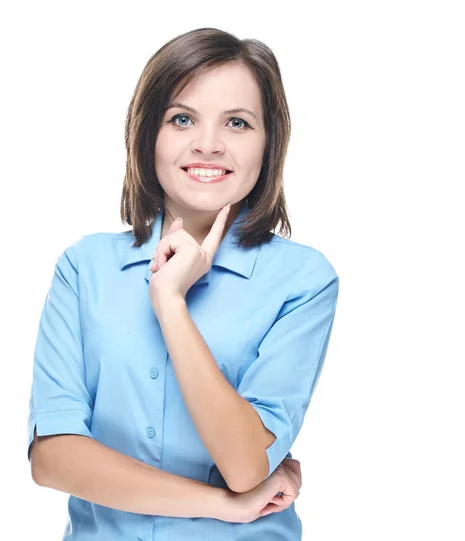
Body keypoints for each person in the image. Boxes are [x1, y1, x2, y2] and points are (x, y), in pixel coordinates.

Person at [27, 27, 339, 541]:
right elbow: (52, 457)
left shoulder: (302, 281)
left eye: (237, 122)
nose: (209, 144)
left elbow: (245, 465)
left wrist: (170, 303)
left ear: (268, 143)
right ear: (148, 133)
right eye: (182, 118)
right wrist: (224, 506)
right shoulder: (84, 268)